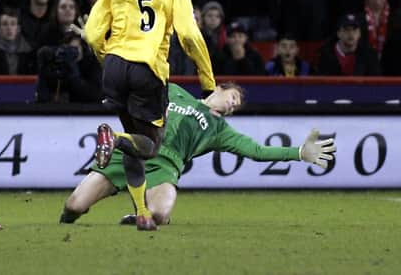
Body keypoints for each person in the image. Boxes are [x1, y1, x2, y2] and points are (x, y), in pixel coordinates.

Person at [60, 82, 337, 226]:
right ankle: (66, 224)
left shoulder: (219, 129)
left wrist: (299, 152)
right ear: (219, 88)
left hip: (164, 168)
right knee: (73, 206)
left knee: (160, 213)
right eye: (233, 99)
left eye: (236, 107)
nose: (232, 107)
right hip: (130, 151)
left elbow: (257, 151)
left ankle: (142, 215)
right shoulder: (175, 93)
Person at [83, 0, 215, 231]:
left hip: (115, 66)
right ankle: (112, 139)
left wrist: (108, 61)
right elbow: (190, 36)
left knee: (134, 140)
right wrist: (207, 82)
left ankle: (142, 213)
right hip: (147, 69)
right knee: (150, 145)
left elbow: (91, 35)